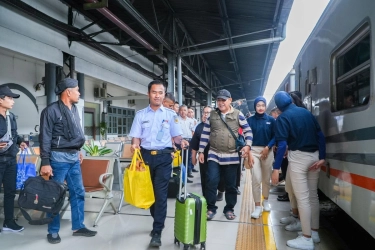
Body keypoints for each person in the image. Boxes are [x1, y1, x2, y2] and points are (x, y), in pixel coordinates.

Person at [129, 80, 188, 247]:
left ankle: (157, 231)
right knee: (151, 195)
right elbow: (136, 137)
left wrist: (181, 141)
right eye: (154, 92)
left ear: (164, 95)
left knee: (161, 194)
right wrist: (134, 144)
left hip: (164, 158)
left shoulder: (171, 115)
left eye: (160, 92)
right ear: (149, 94)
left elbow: (176, 137)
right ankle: (158, 222)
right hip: (146, 158)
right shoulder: (140, 115)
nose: (157, 95)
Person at [39, 78, 97, 244]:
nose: (79, 93)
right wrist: (45, 162)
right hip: (57, 158)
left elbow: (75, 133)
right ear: (68, 92)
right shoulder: (50, 111)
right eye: (77, 90)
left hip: (73, 157)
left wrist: (78, 150)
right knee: (55, 196)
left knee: (78, 192)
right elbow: (45, 137)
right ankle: (53, 231)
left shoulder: (74, 109)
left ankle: (78, 227)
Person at [272, 91, 326, 250]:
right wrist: (322, 156)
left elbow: (282, 145)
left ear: (279, 106)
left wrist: (276, 168)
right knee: (313, 196)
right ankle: (314, 233)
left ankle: (306, 238)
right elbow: (320, 135)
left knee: (302, 199)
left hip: (298, 158)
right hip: (315, 157)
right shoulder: (306, 112)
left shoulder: (283, 118)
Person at [198, 89, 253, 221]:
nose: (221, 103)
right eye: (219, 100)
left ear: (230, 100)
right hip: (214, 154)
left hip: (232, 156)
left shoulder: (238, 114)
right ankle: (211, 208)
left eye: (223, 100)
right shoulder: (212, 115)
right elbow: (205, 133)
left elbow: (248, 130)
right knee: (211, 181)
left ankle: (229, 208)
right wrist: (200, 151)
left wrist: (247, 145)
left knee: (230, 185)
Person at [0, 85, 27, 233]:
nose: (12, 101)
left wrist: (20, 141)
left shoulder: (11, 117)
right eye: (9, 98)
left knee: (10, 192)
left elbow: (14, 134)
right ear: (0, 99)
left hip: (10, 160)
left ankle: (9, 223)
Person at [246, 96, 275, 219]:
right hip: (253, 151)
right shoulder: (250, 120)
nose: (261, 108)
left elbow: (275, 136)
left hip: (267, 151)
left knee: (266, 179)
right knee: (256, 179)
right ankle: (257, 206)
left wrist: (268, 147)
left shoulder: (271, 120)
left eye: (263, 105)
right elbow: (246, 137)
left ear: (265, 106)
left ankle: (266, 201)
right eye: (258, 105)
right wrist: (249, 153)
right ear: (255, 107)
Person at [191, 106, 212, 196]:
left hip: (215, 155)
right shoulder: (199, 127)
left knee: (213, 177)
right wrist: (193, 157)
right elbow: (194, 143)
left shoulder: (215, 126)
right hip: (202, 155)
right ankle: (206, 197)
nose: (206, 114)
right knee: (204, 176)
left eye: (208, 113)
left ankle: (218, 191)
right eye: (204, 112)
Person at [178, 105, 196, 176]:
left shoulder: (191, 121)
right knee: (182, 158)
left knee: (189, 157)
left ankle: (188, 172)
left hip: (189, 140)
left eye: (185, 110)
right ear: (179, 111)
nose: (183, 112)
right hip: (181, 141)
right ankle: (182, 174)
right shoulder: (177, 120)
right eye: (181, 110)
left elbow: (193, 131)